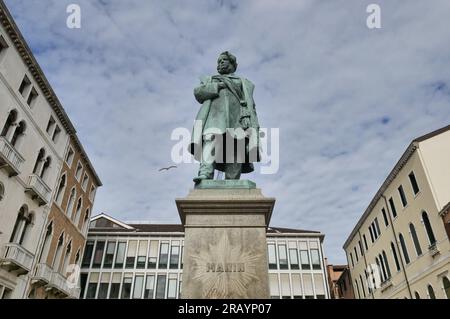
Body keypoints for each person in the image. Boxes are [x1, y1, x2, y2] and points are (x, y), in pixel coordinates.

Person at [189, 51, 261, 183]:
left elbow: (251, 104)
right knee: (211, 142)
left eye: (224, 60)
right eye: (219, 61)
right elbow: (198, 93)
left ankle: (232, 180)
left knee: (236, 148)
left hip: (238, 119)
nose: (220, 63)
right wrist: (217, 86)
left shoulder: (243, 82)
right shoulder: (211, 80)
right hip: (214, 118)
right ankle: (205, 174)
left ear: (233, 64)